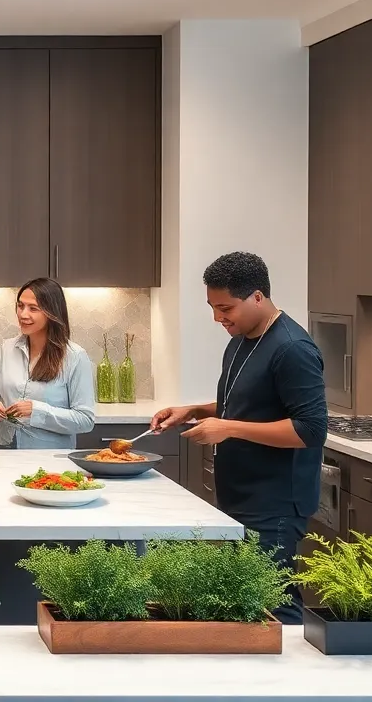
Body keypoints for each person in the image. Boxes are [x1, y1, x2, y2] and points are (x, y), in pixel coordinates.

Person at [150, 251, 327, 625]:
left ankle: (296, 681)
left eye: (225, 307)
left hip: (276, 502)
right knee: (248, 600)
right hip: (241, 495)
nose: (218, 318)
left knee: (275, 601)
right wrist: (196, 411)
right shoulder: (242, 338)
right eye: (213, 307)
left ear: (258, 297)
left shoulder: (293, 349)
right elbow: (247, 403)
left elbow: (311, 429)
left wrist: (228, 428)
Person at [0, 277, 95, 448]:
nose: (23, 314)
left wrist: (36, 411)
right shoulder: (6, 349)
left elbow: (85, 420)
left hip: (48, 460)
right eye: (20, 306)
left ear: (52, 312)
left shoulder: (75, 357)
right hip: (2, 451)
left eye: (33, 308)